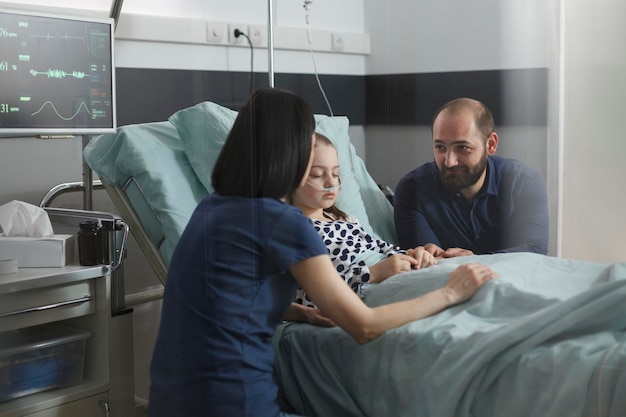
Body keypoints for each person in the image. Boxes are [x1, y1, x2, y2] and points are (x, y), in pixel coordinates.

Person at [147, 88, 499, 417]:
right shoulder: (283, 222)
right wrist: (451, 292)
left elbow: (223, 298)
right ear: (292, 154)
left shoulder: (211, 208)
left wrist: (300, 313)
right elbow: (364, 326)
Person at [290, 133, 437, 308]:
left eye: (335, 173)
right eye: (317, 174)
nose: (331, 182)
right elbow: (308, 296)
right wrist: (372, 273)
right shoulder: (294, 232)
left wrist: (412, 254)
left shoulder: (346, 219)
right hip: (367, 289)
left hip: (395, 272)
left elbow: (379, 246)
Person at [394, 97, 549, 258]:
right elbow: (427, 262)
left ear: (491, 144)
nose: (449, 161)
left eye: (462, 148)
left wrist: (476, 260)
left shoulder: (524, 183)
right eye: (440, 147)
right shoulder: (412, 190)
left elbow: (534, 251)